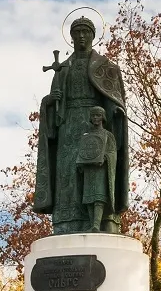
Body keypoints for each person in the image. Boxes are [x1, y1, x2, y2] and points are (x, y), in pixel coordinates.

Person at [35, 16, 129, 234]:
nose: (81, 36)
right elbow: (53, 103)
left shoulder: (105, 67)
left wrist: (115, 111)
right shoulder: (63, 68)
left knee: (95, 173)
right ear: (71, 37)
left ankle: (99, 221)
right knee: (67, 173)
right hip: (68, 127)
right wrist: (49, 103)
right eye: (77, 33)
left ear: (93, 36)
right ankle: (67, 222)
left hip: (95, 124)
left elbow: (112, 97)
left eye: (85, 32)